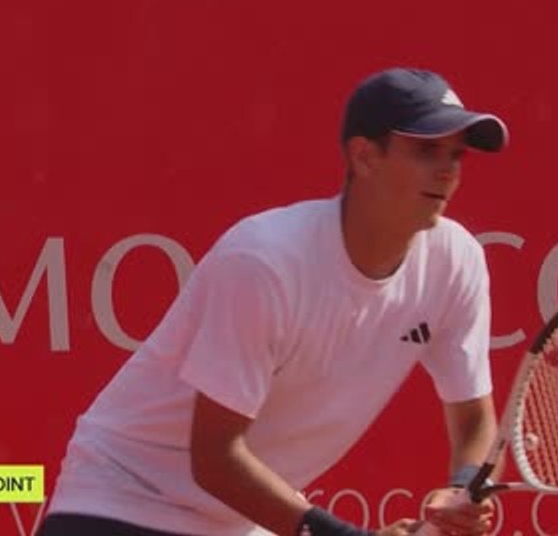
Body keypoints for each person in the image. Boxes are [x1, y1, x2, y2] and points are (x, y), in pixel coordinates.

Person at [38, 67, 509, 536]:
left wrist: (465, 487)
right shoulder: (264, 262)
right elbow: (215, 458)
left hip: (237, 522)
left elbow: (473, 419)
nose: (448, 170)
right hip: (122, 501)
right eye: (426, 150)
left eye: (457, 155)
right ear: (364, 157)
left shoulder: (456, 261)